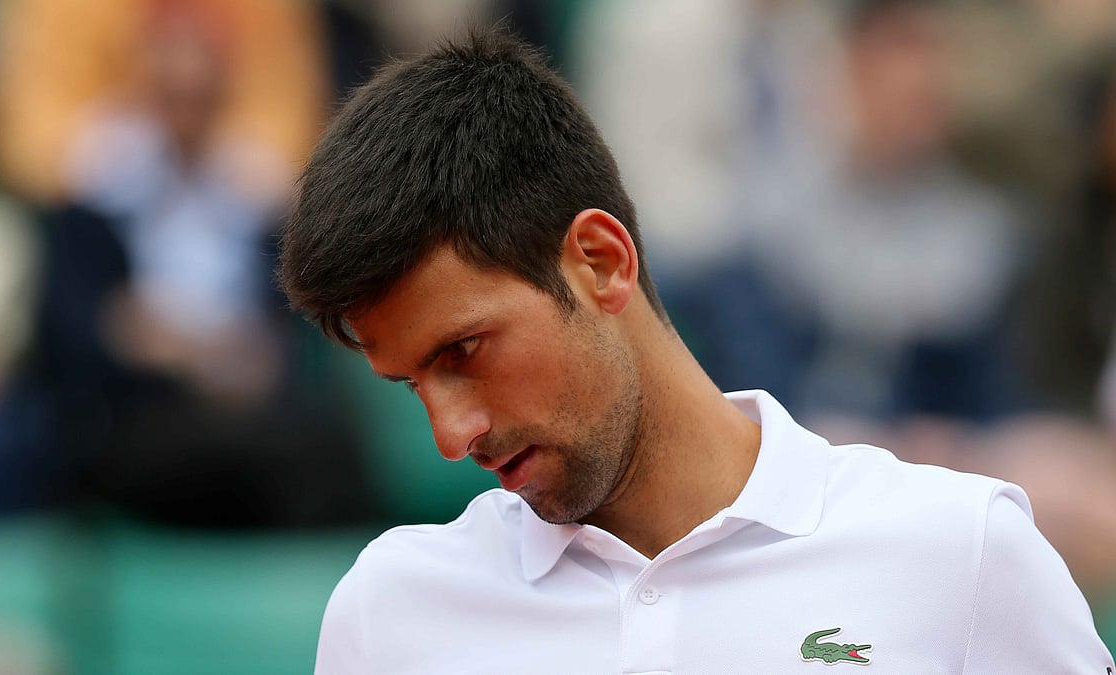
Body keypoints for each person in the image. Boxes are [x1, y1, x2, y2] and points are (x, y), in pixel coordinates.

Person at [278, 29, 1114, 673]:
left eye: (464, 350)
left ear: (600, 262)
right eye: (411, 383)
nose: (449, 435)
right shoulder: (389, 611)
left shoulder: (964, 550)